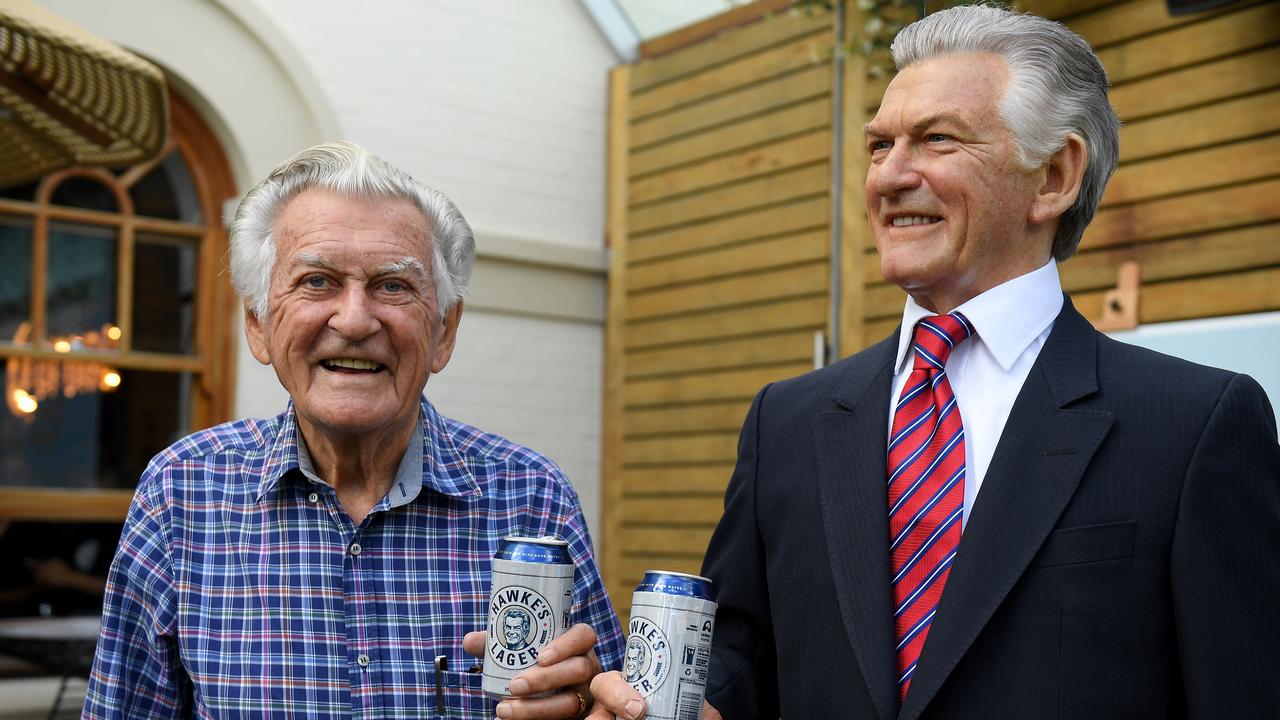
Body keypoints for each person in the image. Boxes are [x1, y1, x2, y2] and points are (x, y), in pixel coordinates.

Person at [590, 6, 1280, 719]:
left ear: (1054, 175)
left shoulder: (1193, 426)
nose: (889, 176)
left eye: (936, 140)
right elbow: (742, 665)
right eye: (879, 144)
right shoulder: (786, 421)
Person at [84, 141, 624, 719]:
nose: (355, 319)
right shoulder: (181, 492)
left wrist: (593, 703)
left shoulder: (533, 498)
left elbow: (612, 700)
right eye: (317, 281)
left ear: (444, 330)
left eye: (393, 285)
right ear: (258, 325)